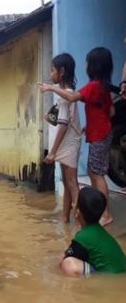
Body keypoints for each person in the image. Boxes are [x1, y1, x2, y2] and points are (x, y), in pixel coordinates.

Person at [40, 47, 115, 226]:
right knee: (86, 175)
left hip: (93, 137)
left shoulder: (92, 86)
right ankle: (70, 217)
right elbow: (110, 112)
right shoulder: (102, 87)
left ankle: (101, 215)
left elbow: (72, 99)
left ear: (94, 67)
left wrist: (51, 88)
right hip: (100, 133)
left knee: (93, 175)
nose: (86, 67)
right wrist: (93, 123)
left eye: (88, 63)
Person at [42, 54, 82, 223]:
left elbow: (64, 125)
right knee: (67, 183)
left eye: (52, 70)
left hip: (68, 144)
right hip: (67, 144)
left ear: (62, 72)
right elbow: (59, 119)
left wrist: (52, 152)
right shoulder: (65, 95)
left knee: (72, 183)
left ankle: (83, 222)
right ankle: (65, 218)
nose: (50, 74)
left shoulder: (66, 96)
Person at [59, 187, 126, 275]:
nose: (72, 204)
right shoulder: (99, 230)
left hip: (109, 277)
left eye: (75, 203)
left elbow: (62, 259)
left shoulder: (82, 237)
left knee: (68, 263)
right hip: (120, 272)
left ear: (77, 212)